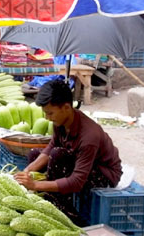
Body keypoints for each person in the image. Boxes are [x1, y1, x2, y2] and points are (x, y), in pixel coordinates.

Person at [14, 80, 122, 226]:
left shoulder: (90, 135)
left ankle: (68, 215)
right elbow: (50, 147)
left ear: (66, 107)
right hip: (80, 162)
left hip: (104, 174)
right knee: (35, 154)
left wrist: (35, 185)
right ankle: (48, 199)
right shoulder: (61, 121)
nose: (47, 118)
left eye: (50, 113)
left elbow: (77, 181)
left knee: (58, 156)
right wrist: (27, 171)